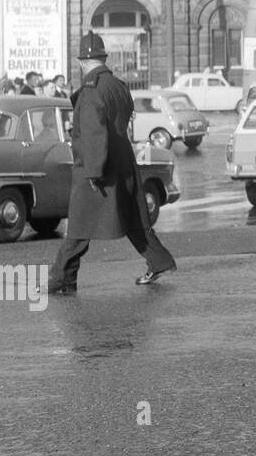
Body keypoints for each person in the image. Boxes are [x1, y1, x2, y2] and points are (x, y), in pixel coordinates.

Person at [47, 32, 178, 295]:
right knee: (132, 217)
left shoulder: (91, 91)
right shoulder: (118, 86)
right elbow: (125, 116)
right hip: (122, 160)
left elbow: (95, 134)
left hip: (98, 167)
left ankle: (62, 278)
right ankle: (159, 260)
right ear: (103, 58)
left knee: (80, 226)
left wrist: (94, 171)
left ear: (82, 61)